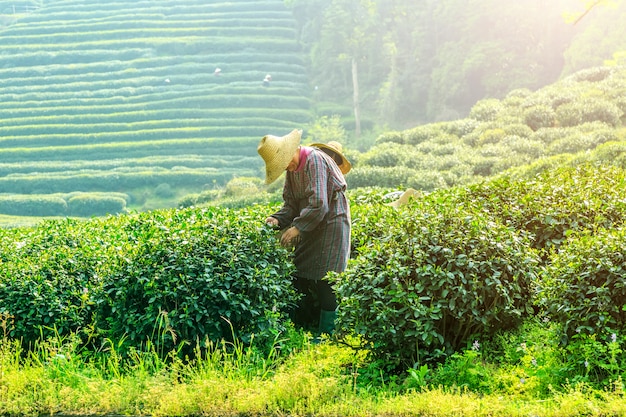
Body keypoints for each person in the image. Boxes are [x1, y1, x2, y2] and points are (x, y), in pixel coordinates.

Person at [257, 129, 351, 335]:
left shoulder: (314, 160)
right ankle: (303, 328)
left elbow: (318, 203)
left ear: (291, 151)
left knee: (326, 279)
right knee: (300, 273)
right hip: (312, 224)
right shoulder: (293, 170)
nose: (286, 168)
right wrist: (277, 219)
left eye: (285, 163)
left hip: (332, 224)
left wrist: (297, 228)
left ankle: (329, 335)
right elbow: (290, 204)